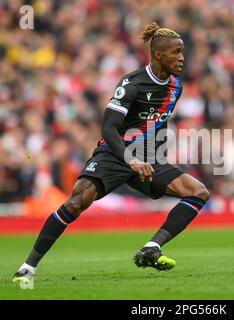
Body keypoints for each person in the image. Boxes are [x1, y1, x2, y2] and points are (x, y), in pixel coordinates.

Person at [12, 22, 210, 285]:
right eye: (176, 52)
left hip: (146, 158)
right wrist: (131, 159)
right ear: (158, 55)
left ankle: (152, 247)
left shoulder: (176, 87)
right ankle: (27, 267)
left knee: (198, 192)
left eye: (182, 51)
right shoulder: (131, 83)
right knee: (76, 202)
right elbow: (108, 127)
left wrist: (151, 156)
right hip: (116, 154)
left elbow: (155, 125)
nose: (182, 58)